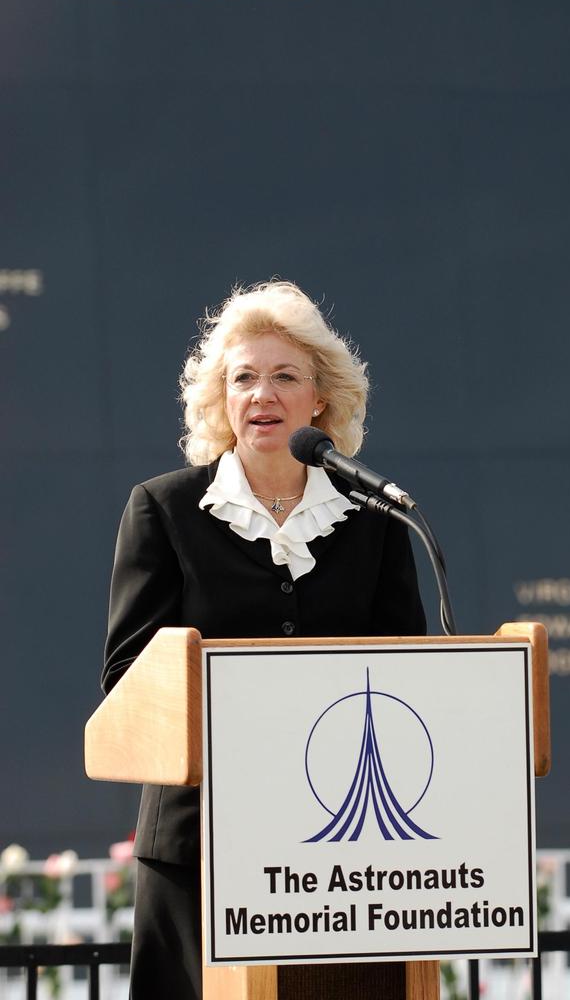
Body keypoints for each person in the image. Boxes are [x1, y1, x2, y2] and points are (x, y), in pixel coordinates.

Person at [101, 281, 426, 999]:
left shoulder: (373, 520)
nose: (261, 393)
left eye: (284, 376)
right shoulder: (165, 510)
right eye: (243, 377)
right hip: (198, 848)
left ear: (320, 399)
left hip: (343, 858)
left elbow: (411, 682)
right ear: (221, 399)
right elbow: (128, 678)